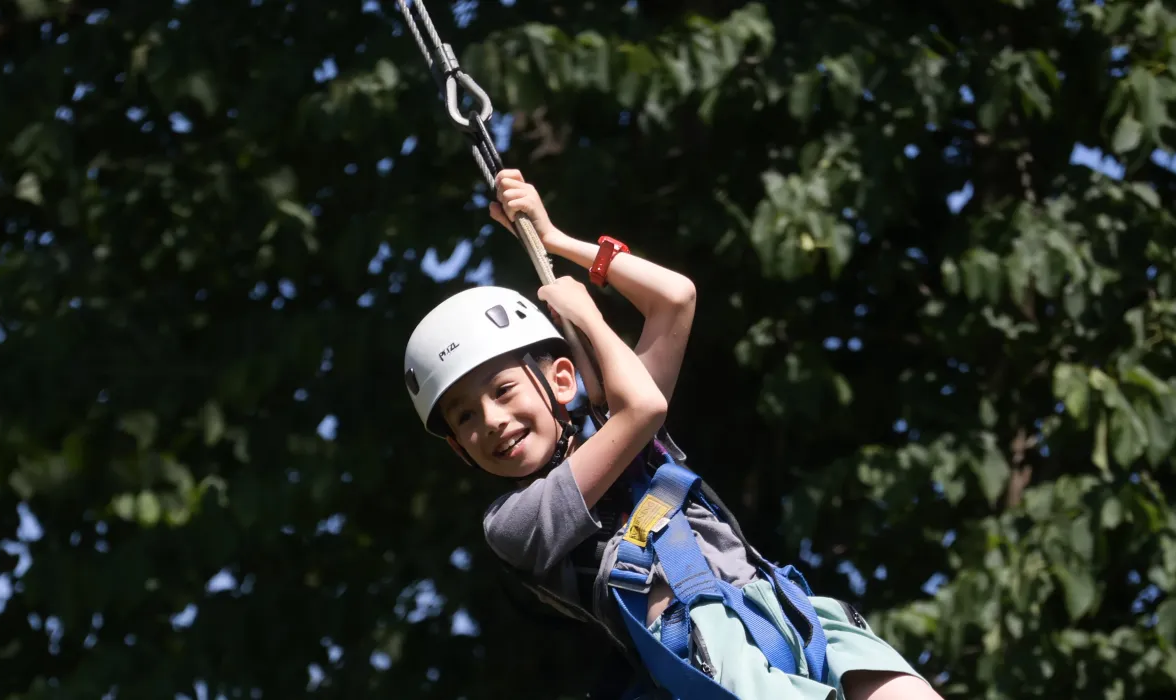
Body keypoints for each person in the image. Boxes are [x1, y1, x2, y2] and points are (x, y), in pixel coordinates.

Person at [401, 170, 941, 700]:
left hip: (784, 604)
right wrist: (590, 321)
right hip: (705, 648)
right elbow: (645, 407)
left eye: (502, 390)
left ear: (561, 378)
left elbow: (675, 297)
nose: (491, 421)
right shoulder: (516, 523)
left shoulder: (617, 426)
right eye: (465, 417)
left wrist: (556, 241)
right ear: (456, 445)